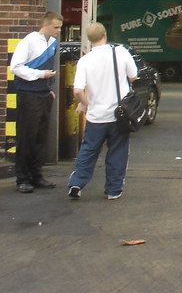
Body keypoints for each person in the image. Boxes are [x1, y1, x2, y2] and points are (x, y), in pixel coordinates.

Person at [67, 22, 138, 200]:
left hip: (95, 117)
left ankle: (77, 182)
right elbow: (133, 76)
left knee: (88, 150)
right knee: (117, 151)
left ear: (89, 39)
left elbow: (77, 90)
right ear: (105, 35)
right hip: (118, 115)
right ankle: (113, 190)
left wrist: (85, 103)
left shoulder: (85, 60)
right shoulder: (120, 52)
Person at [10, 11, 63, 193]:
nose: (58, 31)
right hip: (29, 93)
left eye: (60, 27)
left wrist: (49, 89)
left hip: (43, 93)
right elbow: (16, 67)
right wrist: (41, 75)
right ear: (45, 24)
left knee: (40, 137)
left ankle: (36, 174)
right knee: (27, 136)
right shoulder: (29, 41)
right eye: (56, 27)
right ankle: (22, 178)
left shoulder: (53, 43)